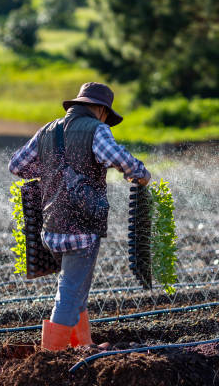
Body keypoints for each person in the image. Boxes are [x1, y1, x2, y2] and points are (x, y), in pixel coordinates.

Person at [8, 82, 151, 351]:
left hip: (50, 229)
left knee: (77, 287)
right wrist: (141, 173)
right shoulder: (97, 130)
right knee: (70, 290)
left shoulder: (47, 130)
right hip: (82, 230)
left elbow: (16, 166)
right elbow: (118, 159)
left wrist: (53, 170)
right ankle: (51, 356)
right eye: (106, 114)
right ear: (99, 109)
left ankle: (82, 345)